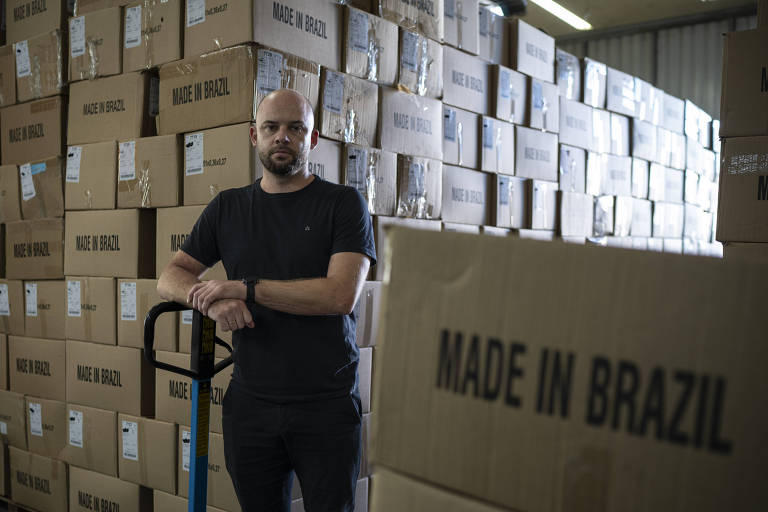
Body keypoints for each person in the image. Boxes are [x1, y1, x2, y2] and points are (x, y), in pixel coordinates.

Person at [157, 88, 376, 511]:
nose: (282, 137)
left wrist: (245, 288)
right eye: (271, 127)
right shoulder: (228, 207)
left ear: (312, 140)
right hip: (251, 403)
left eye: (295, 128)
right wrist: (211, 302)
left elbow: (340, 295)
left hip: (325, 404)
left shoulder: (343, 205)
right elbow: (171, 276)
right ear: (253, 135)